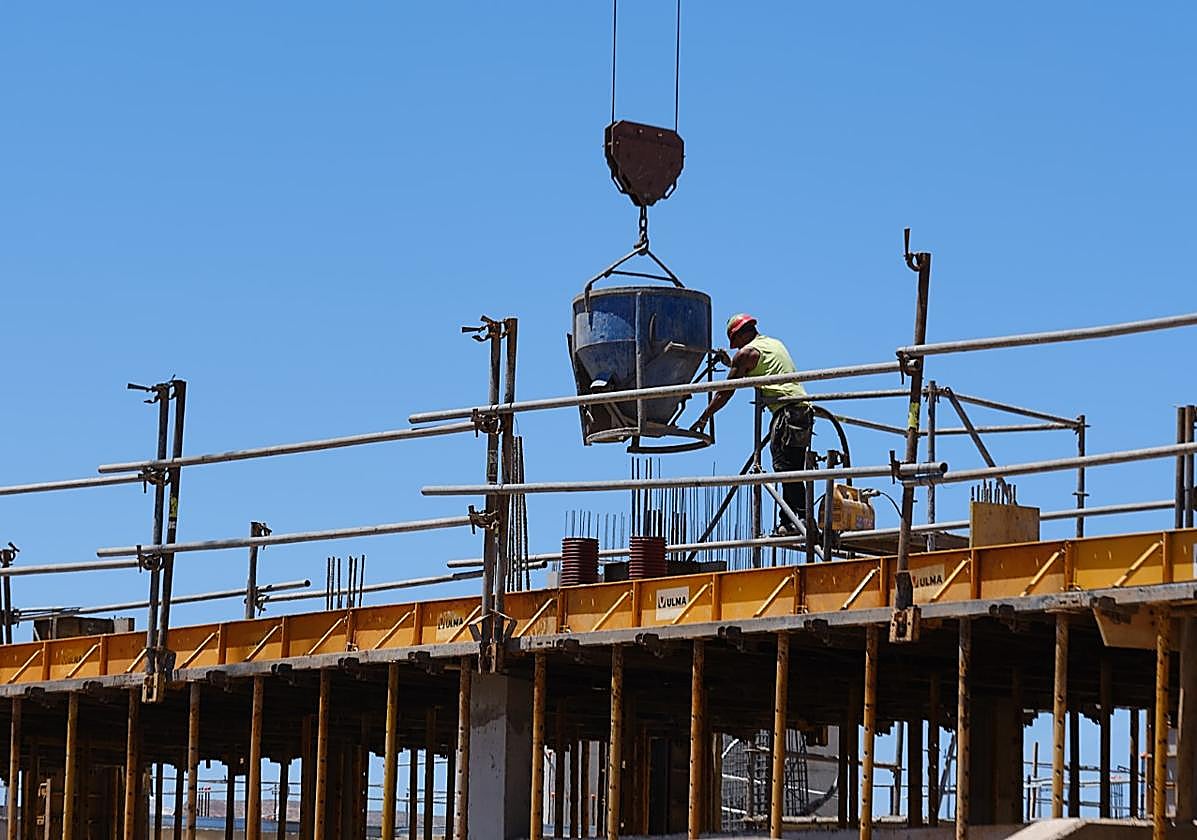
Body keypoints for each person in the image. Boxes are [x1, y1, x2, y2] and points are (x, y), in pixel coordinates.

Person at [691, 313, 815, 536]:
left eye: (734, 342)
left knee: (785, 468)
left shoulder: (745, 353)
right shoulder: (772, 343)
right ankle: (797, 519)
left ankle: (796, 521)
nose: (734, 347)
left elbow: (725, 392)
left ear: (738, 336)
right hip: (802, 411)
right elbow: (752, 366)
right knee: (794, 467)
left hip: (786, 413)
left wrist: (704, 417)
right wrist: (730, 363)